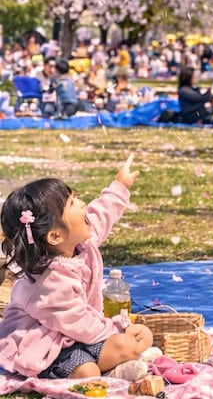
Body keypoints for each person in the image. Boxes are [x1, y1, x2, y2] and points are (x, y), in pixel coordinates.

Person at [0, 155, 154, 380]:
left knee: (140, 337)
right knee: (88, 370)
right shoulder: (49, 282)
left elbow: (101, 215)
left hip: (79, 335)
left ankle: (111, 365)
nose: (83, 205)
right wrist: (117, 327)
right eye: (72, 203)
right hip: (43, 347)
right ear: (55, 236)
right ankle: (108, 369)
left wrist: (119, 186)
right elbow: (78, 322)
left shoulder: (80, 244)